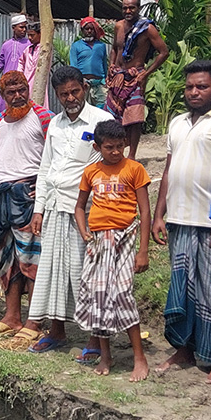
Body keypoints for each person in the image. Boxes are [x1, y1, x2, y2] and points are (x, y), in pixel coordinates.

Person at [151, 60, 211, 380]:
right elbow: (169, 171)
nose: (194, 92)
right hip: (179, 219)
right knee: (182, 290)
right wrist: (159, 214)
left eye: (202, 86)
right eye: (189, 87)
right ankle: (184, 349)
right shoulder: (177, 123)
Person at [25, 66, 113, 355]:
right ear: (57, 95)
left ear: (84, 88)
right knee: (54, 271)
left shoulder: (101, 121)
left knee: (85, 273)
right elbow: (45, 167)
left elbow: (110, 167)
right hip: (54, 207)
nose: (70, 98)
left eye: (75, 91)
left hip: (86, 211)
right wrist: (38, 209)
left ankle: (94, 338)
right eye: (64, 94)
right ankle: (57, 331)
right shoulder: (55, 124)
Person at [72, 119, 152, 381]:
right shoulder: (91, 172)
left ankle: (139, 358)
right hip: (98, 240)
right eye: (109, 147)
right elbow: (79, 206)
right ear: (97, 147)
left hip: (125, 237)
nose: (116, 152)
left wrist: (143, 250)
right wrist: (84, 231)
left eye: (120, 146)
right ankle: (106, 355)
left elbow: (145, 211)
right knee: (99, 295)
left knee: (122, 293)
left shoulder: (134, 169)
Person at [0, 72, 52, 340]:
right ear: (3, 96)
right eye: (11, 92)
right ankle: (12, 317)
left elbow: (55, 157)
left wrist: (43, 191)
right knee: (7, 258)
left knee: (31, 258)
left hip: (27, 195)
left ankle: (34, 320)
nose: (18, 95)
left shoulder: (43, 118)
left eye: (22, 90)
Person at [106, 0, 169, 160]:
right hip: (117, 77)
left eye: (131, 8)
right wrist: (111, 67)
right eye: (125, 8)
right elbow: (115, 48)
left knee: (135, 117)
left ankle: (132, 156)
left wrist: (146, 73)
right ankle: (115, 153)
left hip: (135, 77)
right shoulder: (119, 26)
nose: (128, 11)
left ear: (138, 8)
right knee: (111, 116)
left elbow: (164, 52)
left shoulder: (147, 28)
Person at [71, 17, 110, 107]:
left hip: (99, 84)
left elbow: (104, 64)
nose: (89, 31)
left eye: (91, 29)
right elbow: (74, 66)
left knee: (102, 109)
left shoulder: (101, 46)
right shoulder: (76, 46)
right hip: (83, 84)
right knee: (83, 108)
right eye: (87, 29)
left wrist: (106, 80)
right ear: (82, 30)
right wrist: (79, 81)